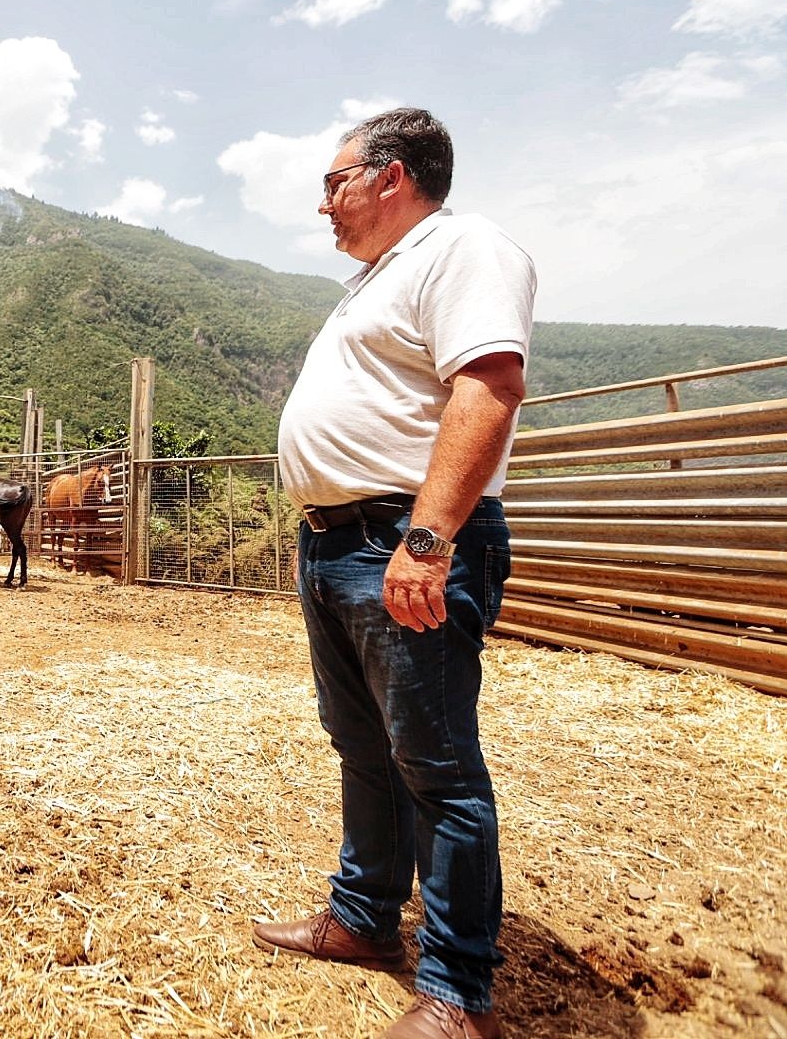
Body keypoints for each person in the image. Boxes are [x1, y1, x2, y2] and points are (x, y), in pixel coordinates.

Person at [256, 108, 534, 1039]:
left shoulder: (466, 248)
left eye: (335, 180)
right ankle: (365, 919)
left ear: (393, 175)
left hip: (397, 539)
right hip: (336, 541)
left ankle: (458, 993)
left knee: (438, 765)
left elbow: (488, 383)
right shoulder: (380, 276)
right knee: (362, 742)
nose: (324, 201)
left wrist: (428, 539)